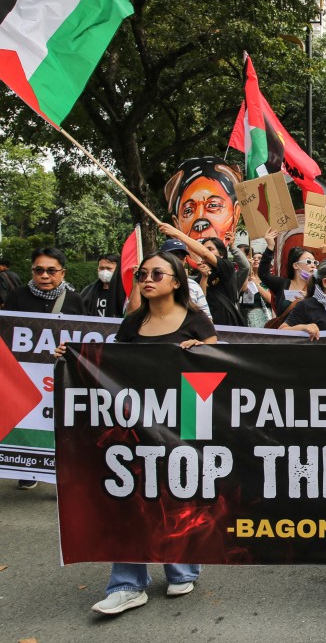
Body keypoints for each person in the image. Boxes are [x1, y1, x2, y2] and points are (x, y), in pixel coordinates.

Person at [54, 251, 215, 614]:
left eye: (157, 273)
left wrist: (202, 353)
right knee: (130, 498)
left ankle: (181, 568)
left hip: (182, 426)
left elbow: (213, 377)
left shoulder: (196, 321)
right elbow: (110, 368)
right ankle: (127, 584)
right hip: (135, 426)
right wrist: (73, 358)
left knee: (176, 493)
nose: (147, 279)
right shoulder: (131, 324)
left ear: (177, 282)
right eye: (143, 273)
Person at [4, 247, 85, 489]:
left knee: (58, 419)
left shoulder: (74, 300)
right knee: (31, 418)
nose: (45, 276)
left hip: (59, 375)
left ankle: (57, 473)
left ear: (62, 273)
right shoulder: (17, 296)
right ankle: (29, 468)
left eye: (51, 270)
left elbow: (82, 337)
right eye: (38, 270)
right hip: (26, 375)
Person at [158, 223, 245, 327]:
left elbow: (204, 253)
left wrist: (177, 233)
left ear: (221, 254)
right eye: (173, 255)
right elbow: (200, 300)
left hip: (227, 326)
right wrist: (204, 278)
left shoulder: (226, 268)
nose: (176, 260)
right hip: (205, 325)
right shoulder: (196, 277)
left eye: (210, 249)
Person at [164, 156, 243, 243]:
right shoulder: (166, 256)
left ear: (235, 215)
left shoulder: (238, 256)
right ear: (177, 224)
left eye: (213, 205)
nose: (200, 223)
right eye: (188, 210)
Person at [150, 239, 213, 319]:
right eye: (173, 255)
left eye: (181, 257)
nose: (177, 260)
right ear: (161, 257)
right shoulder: (149, 282)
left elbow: (207, 319)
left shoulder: (193, 286)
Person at [260, 229, 314, 317]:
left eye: (315, 262)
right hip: (285, 329)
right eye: (308, 262)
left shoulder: (317, 286)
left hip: (310, 330)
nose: (313, 265)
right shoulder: (282, 284)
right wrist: (270, 246)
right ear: (296, 265)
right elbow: (264, 274)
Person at [80, 254, 126, 318]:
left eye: (108, 268)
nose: (104, 271)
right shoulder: (88, 291)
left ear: (118, 270)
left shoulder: (125, 292)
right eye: (101, 268)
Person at [239, 249, 273, 328]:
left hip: (263, 317)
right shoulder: (245, 278)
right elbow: (242, 290)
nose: (256, 259)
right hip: (245, 316)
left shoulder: (268, 280)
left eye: (259, 258)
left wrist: (256, 284)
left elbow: (270, 299)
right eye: (254, 258)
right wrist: (247, 269)